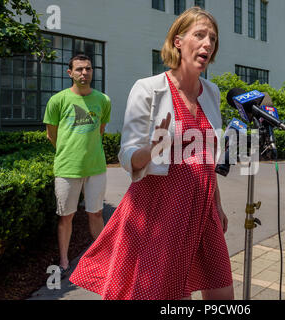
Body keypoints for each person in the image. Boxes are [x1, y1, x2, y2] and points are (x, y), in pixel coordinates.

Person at [69, 7, 234, 300]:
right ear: (178, 41)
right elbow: (127, 156)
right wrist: (155, 147)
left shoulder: (212, 92)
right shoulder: (148, 89)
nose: (208, 43)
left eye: (213, 38)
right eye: (200, 35)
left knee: (222, 293)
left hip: (203, 206)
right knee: (169, 294)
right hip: (161, 209)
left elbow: (206, 157)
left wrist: (217, 204)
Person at [43, 54, 111, 278]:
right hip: (67, 168)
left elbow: (100, 130)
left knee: (97, 213)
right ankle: (63, 261)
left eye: (88, 69)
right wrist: (68, 151)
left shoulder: (103, 100)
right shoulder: (58, 100)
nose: (84, 73)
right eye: (79, 69)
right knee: (66, 216)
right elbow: (51, 134)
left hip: (96, 167)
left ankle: (103, 258)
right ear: (69, 73)